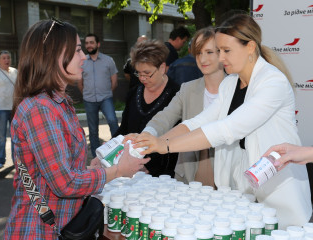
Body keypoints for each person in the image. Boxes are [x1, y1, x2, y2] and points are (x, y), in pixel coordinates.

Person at [132, 14, 311, 227]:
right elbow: (198, 122)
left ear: (250, 47)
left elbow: (227, 129)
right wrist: (152, 143)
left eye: (226, 51)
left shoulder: (272, 82)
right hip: (242, 190)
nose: (221, 57)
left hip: (278, 190)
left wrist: (165, 145)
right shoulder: (230, 84)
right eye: (219, 50)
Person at [5, 19, 149, 239]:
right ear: (52, 55)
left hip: (60, 224)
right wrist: (118, 170)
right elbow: (65, 183)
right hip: (39, 230)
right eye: (77, 50)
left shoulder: (59, 103)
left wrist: (94, 167)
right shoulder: (40, 108)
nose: (83, 57)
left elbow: (63, 170)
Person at [138, 27, 225, 185]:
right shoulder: (187, 89)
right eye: (198, 53)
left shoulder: (238, 90)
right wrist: (147, 134)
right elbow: (165, 116)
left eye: (209, 52)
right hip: (189, 176)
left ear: (223, 53)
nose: (203, 59)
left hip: (226, 179)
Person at [113, 39, 180, 177]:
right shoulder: (133, 93)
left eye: (147, 73)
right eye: (138, 73)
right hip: (131, 170)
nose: (142, 78)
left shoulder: (177, 94)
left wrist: (150, 167)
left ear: (162, 68)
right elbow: (124, 130)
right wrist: (108, 151)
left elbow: (178, 139)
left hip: (164, 174)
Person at [78, 33, 119, 157]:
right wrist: (86, 93)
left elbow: (114, 82)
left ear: (98, 44)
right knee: (93, 129)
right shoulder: (82, 62)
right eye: (87, 43)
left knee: (112, 121)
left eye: (91, 42)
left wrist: (106, 93)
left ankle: (118, 149)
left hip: (106, 98)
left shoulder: (108, 60)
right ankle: (97, 156)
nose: (89, 45)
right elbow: (80, 83)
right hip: (89, 100)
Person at [0, 50, 17, 168]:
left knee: (15, 136)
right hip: (0, 109)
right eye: (4, 58)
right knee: (1, 136)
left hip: (13, 108)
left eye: (8, 57)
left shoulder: (15, 71)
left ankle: (15, 160)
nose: (6, 60)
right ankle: (1, 160)